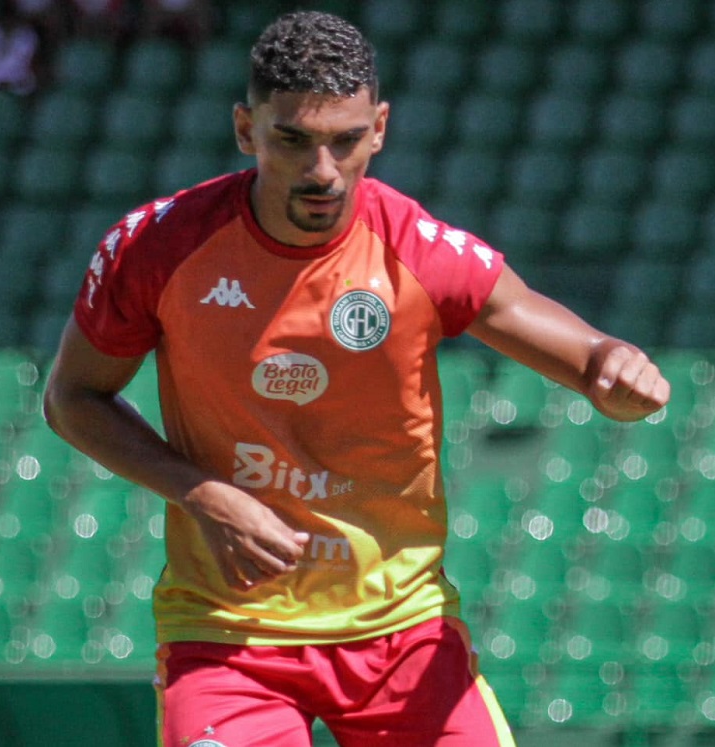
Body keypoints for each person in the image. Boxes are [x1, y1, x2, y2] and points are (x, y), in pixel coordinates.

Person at [42, 10, 670, 747]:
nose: (322, 171)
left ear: (380, 128)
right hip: (228, 635)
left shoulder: (417, 250)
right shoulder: (157, 246)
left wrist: (616, 371)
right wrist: (203, 493)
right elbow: (72, 397)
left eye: (345, 141)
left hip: (402, 634)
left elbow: (584, 355)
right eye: (293, 140)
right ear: (246, 130)